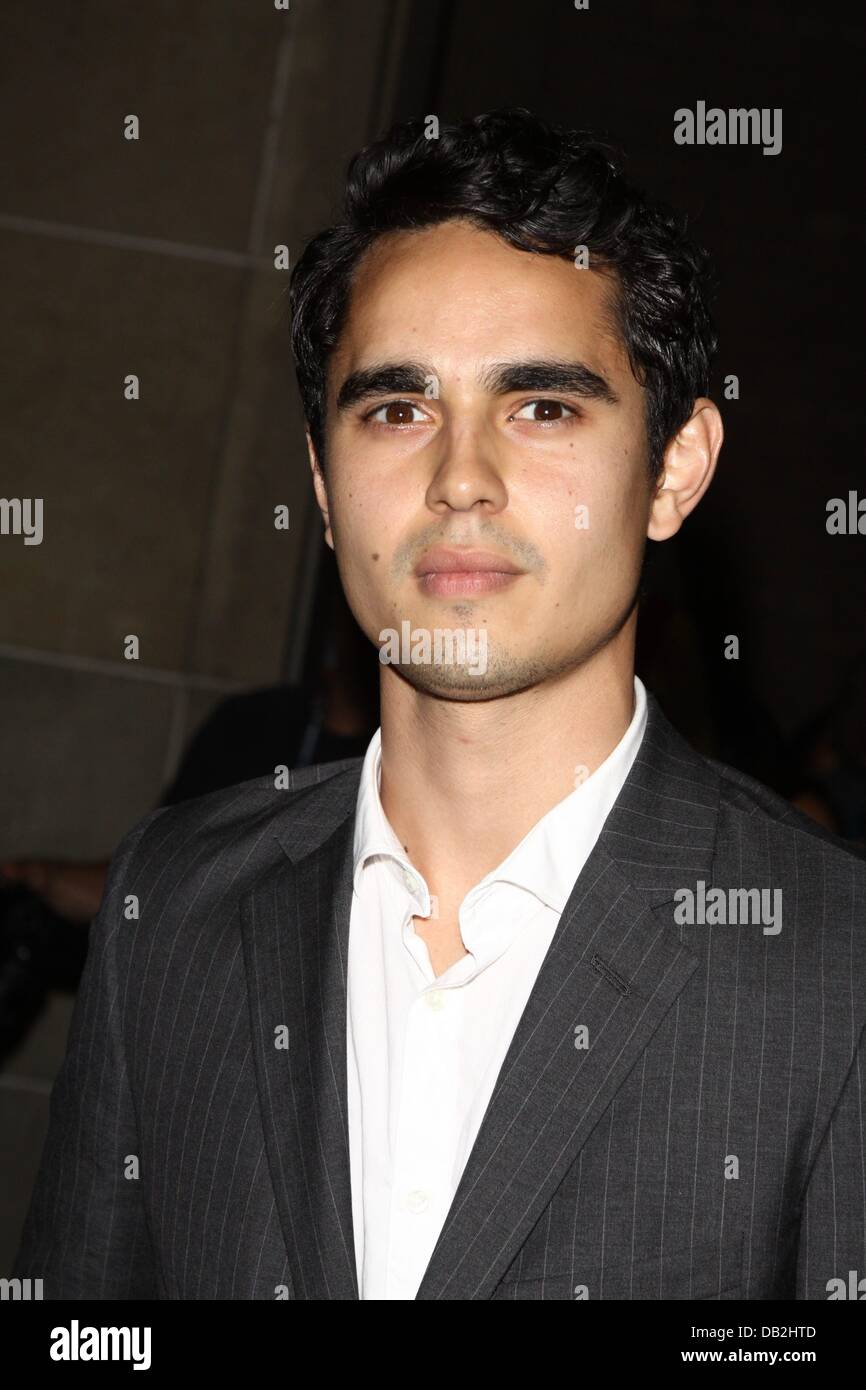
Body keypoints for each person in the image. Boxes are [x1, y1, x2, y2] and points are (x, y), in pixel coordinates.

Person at [14, 108, 866, 1301]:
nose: (459, 476)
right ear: (322, 484)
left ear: (672, 469)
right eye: (396, 410)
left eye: (542, 407)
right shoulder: (177, 905)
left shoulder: (833, 963)